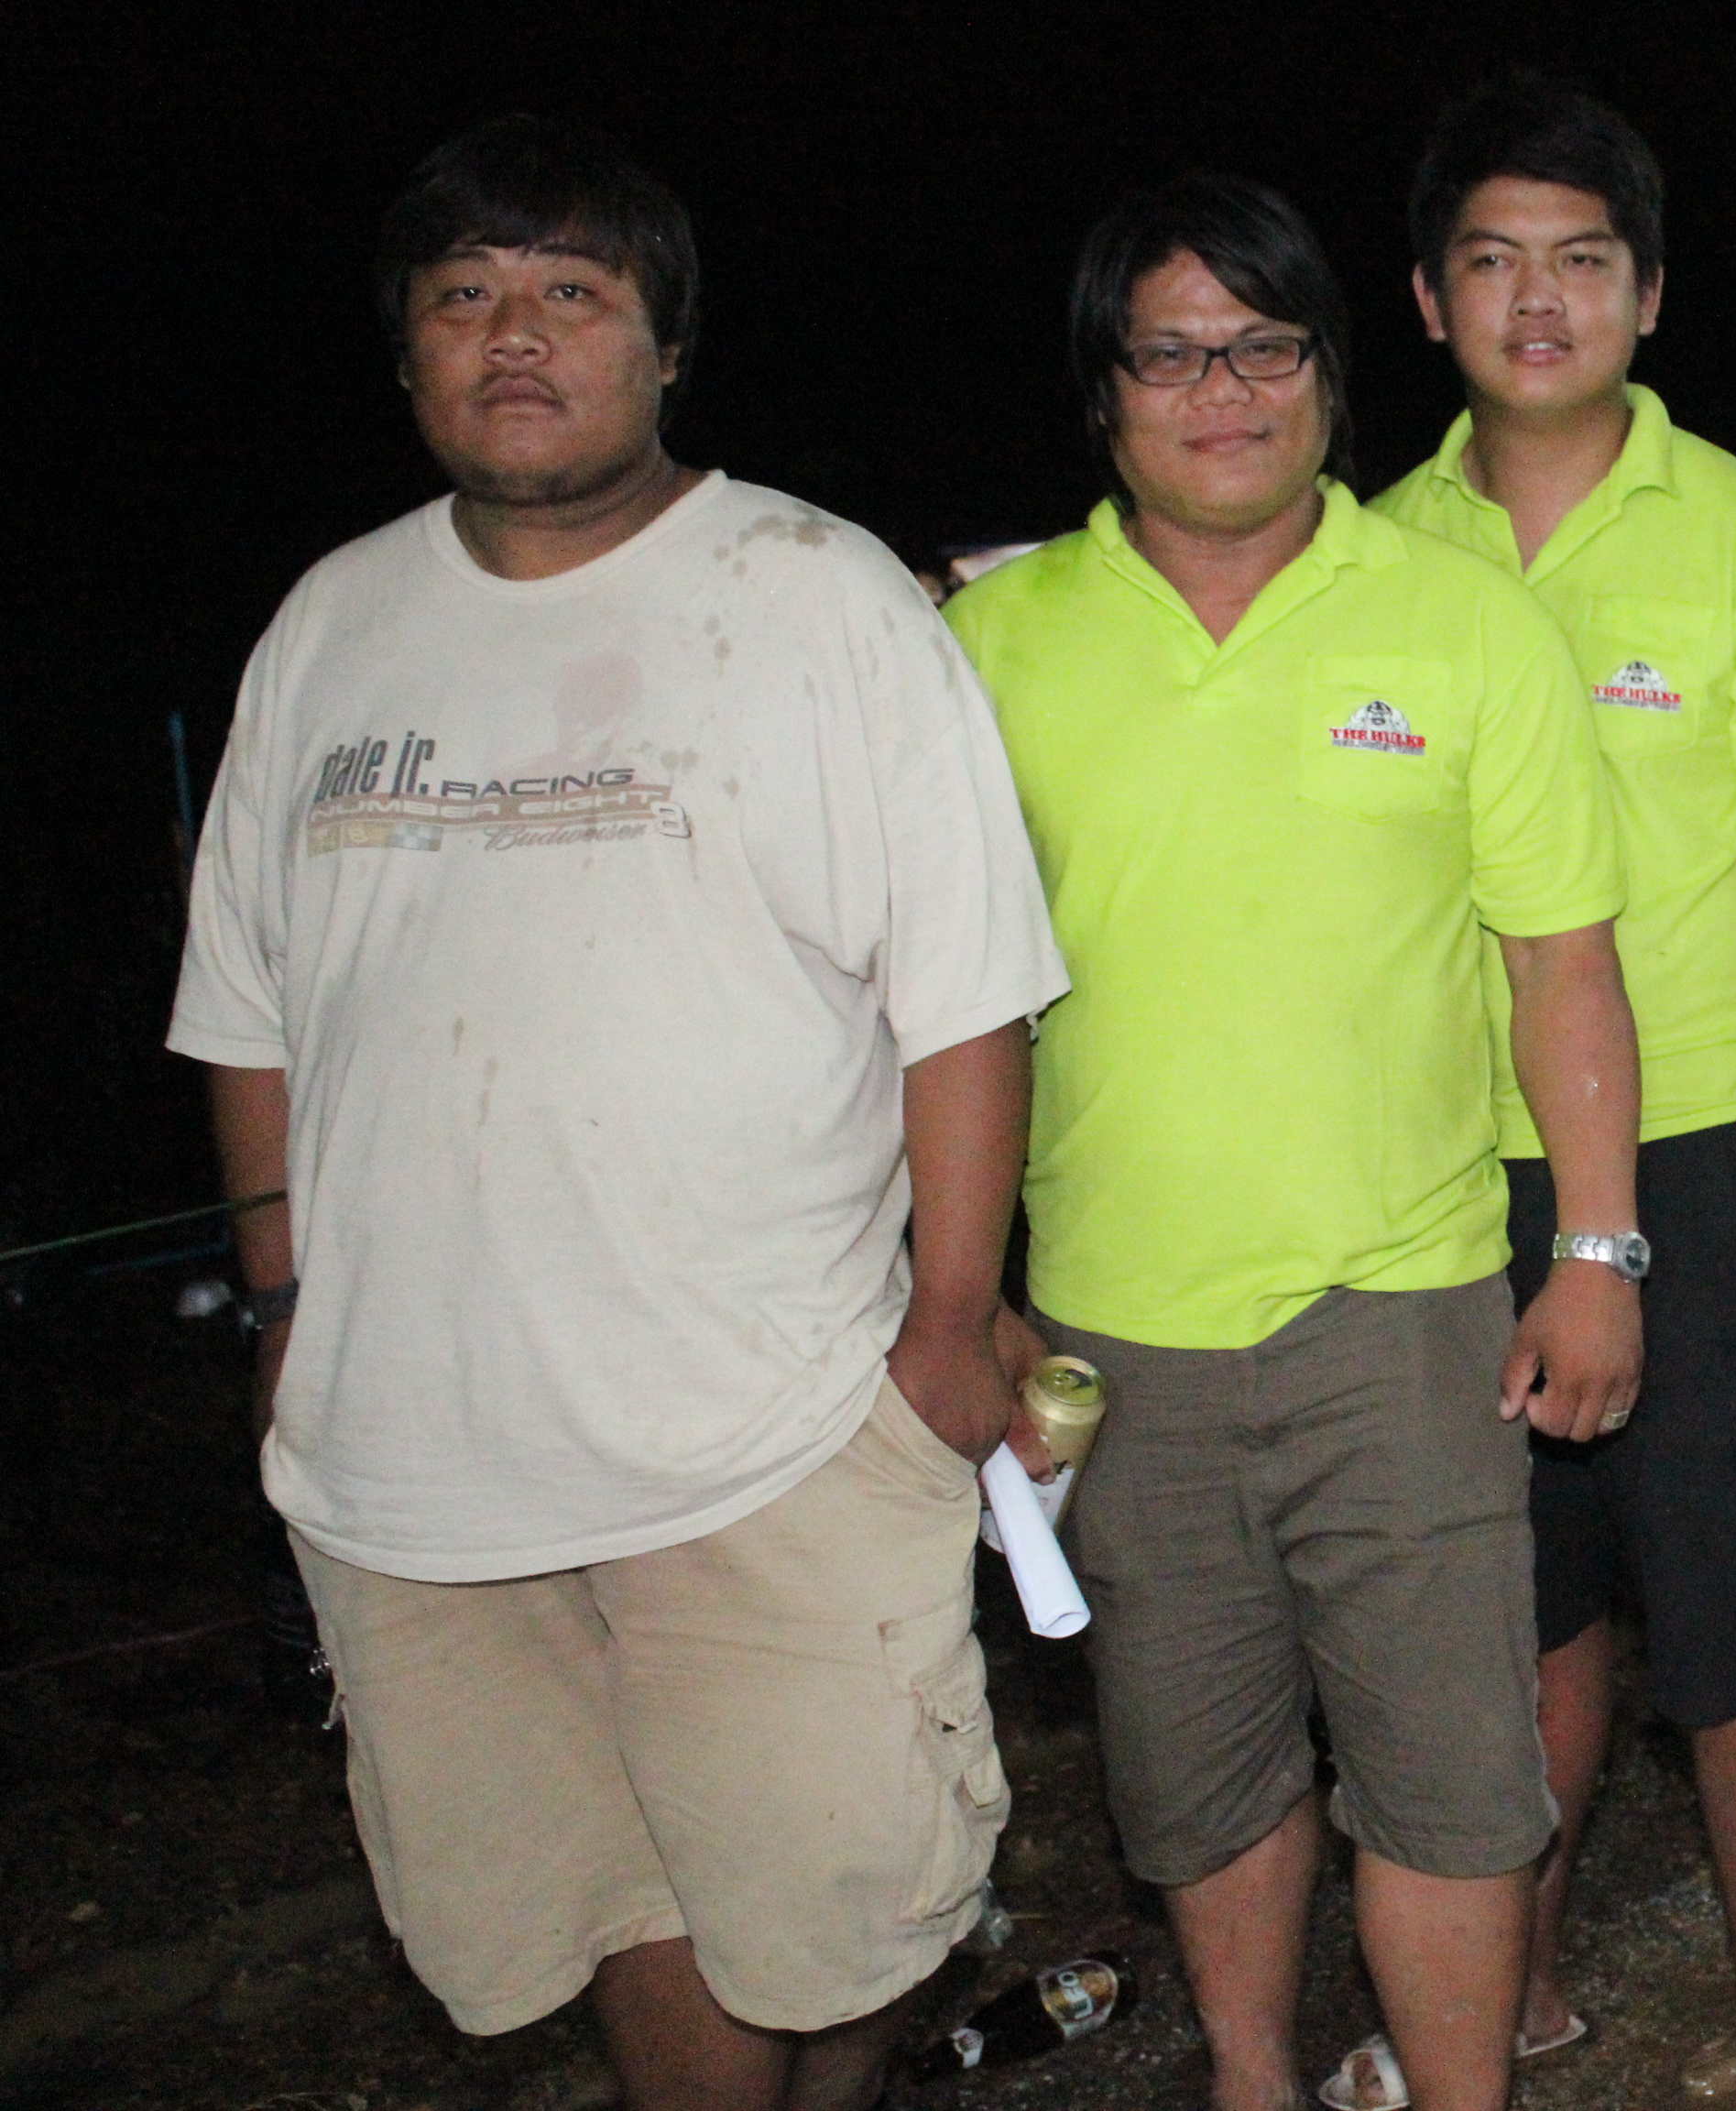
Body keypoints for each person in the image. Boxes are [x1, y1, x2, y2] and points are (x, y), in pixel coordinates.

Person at [167, 116, 1067, 2111]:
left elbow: (967, 999)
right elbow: (247, 1013)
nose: (515, 335)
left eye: (571, 293)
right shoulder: (329, 626)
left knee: (843, 1905)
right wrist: (286, 1309)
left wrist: (949, 1318)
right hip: (422, 1456)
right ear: (407, 352)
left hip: (766, 1419)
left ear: (666, 347)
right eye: (464, 296)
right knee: (611, 1903)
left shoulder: (820, 593)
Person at [940, 172, 1637, 2111]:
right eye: (1172, 354)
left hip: (1407, 1313)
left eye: (1263, 348)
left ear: (1330, 374)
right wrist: (963, 1299)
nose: (1223, 392)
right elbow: (929, 1015)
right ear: (1104, 390)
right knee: (1198, 1775)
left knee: (1453, 1779)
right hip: (1111, 1332)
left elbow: (1564, 966)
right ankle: (1250, 2079)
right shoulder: (990, 648)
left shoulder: (1465, 622)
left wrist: (1597, 1252)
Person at [1316, 79, 1736, 2111]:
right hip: (1437, 1173)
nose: (1538, 299)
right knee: (1513, 1615)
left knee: (1735, 1621)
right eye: (1493, 261)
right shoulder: (1367, 550)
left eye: (1581, 261)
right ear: (1427, 298)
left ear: (1648, 296)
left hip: (1706, 1155)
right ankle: (1518, 1989)